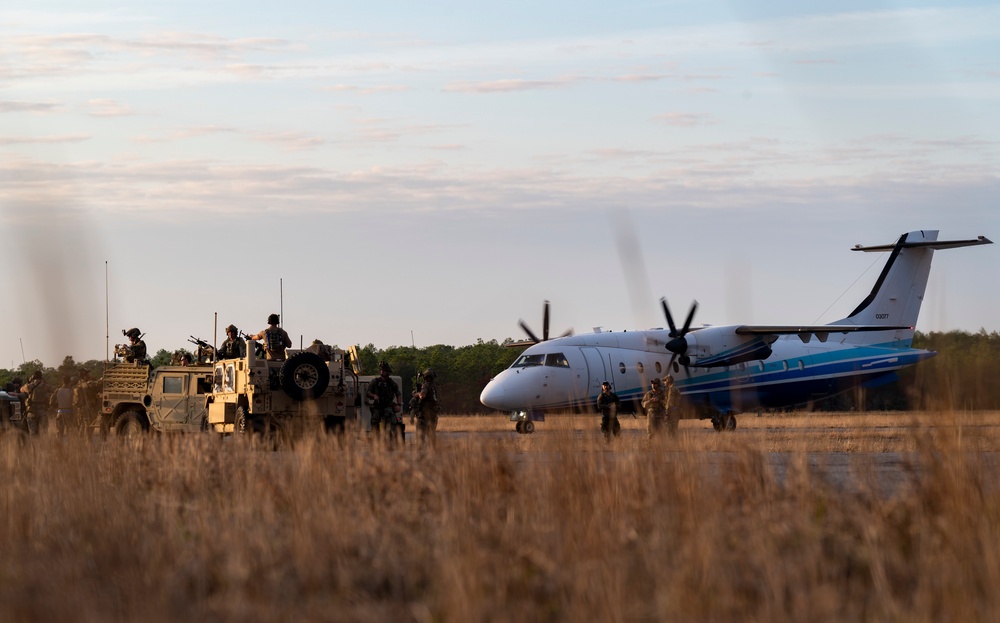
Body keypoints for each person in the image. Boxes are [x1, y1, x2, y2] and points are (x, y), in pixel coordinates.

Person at [365, 361, 401, 439]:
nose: (382, 372)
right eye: (381, 370)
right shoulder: (375, 382)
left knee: (390, 423)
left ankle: (389, 440)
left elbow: (398, 394)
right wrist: (373, 395)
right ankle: (376, 440)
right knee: (375, 422)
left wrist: (398, 404)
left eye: (384, 370)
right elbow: (367, 393)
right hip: (377, 406)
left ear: (387, 372)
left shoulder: (392, 383)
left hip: (388, 406)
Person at [415, 368, 440, 446]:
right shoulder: (434, 387)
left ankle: (420, 449)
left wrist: (417, 394)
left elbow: (422, 396)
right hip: (433, 414)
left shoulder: (426, 385)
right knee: (431, 433)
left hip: (425, 414)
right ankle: (433, 449)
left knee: (420, 432)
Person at [21, 370, 50, 435]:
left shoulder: (29, 386)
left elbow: (21, 389)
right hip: (43, 411)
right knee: (44, 431)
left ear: (34, 377)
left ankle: (34, 445)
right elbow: (52, 389)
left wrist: (28, 382)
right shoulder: (46, 386)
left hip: (32, 411)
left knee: (32, 432)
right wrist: (44, 381)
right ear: (41, 377)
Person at [74, 369, 101, 435]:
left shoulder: (79, 384)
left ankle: (81, 440)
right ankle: (88, 440)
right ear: (85, 376)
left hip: (81, 408)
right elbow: (98, 383)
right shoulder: (88, 384)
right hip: (88, 407)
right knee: (89, 424)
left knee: (82, 424)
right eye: (88, 374)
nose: (89, 375)